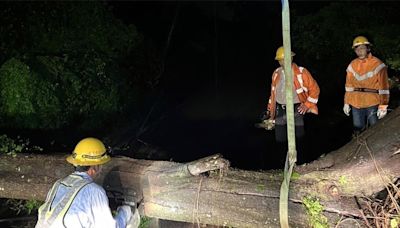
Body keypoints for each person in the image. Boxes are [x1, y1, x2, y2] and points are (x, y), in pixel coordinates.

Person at [35, 137, 138, 228]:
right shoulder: (94, 191)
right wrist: (126, 211)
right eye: (101, 165)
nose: (101, 169)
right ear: (94, 167)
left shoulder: (58, 184)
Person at [265, 46, 320, 164]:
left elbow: (315, 89)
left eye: (285, 59)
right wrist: (270, 111)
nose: (283, 62)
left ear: (291, 58)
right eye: (281, 60)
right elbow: (273, 93)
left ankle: (301, 163)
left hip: (296, 109)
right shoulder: (276, 73)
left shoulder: (301, 72)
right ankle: (282, 164)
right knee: (280, 139)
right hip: (280, 109)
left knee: (299, 138)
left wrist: (307, 105)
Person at [343, 36, 390, 134]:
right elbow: (349, 86)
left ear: (368, 48)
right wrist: (346, 102)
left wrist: (383, 105)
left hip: (372, 102)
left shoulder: (378, 64)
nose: (359, 51)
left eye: (362, 48)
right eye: (357, 48)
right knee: (358, 132)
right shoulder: (352, 64)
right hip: (355, 103)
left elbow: (384, 87)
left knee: (376, 131)